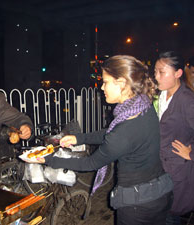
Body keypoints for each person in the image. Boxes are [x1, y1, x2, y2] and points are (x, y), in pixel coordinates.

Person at [23, 55, 173, 225]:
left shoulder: (124, 131)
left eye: (106, 82)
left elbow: (91, 163)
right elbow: (113, 133)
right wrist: (79, 138)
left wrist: (50, 160)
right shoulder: (142, 105)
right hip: (160, 192)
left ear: (122, 83)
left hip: (138, 205)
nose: (102, 87)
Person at [154, 51, 194, 224]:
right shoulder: (159, 95)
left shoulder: (187, 100)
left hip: (176, 171)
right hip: (159, 168)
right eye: (155, 71)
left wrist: (191, 154)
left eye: (161, 72)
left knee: (170, 216)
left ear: (178, 73)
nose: (156, 76)